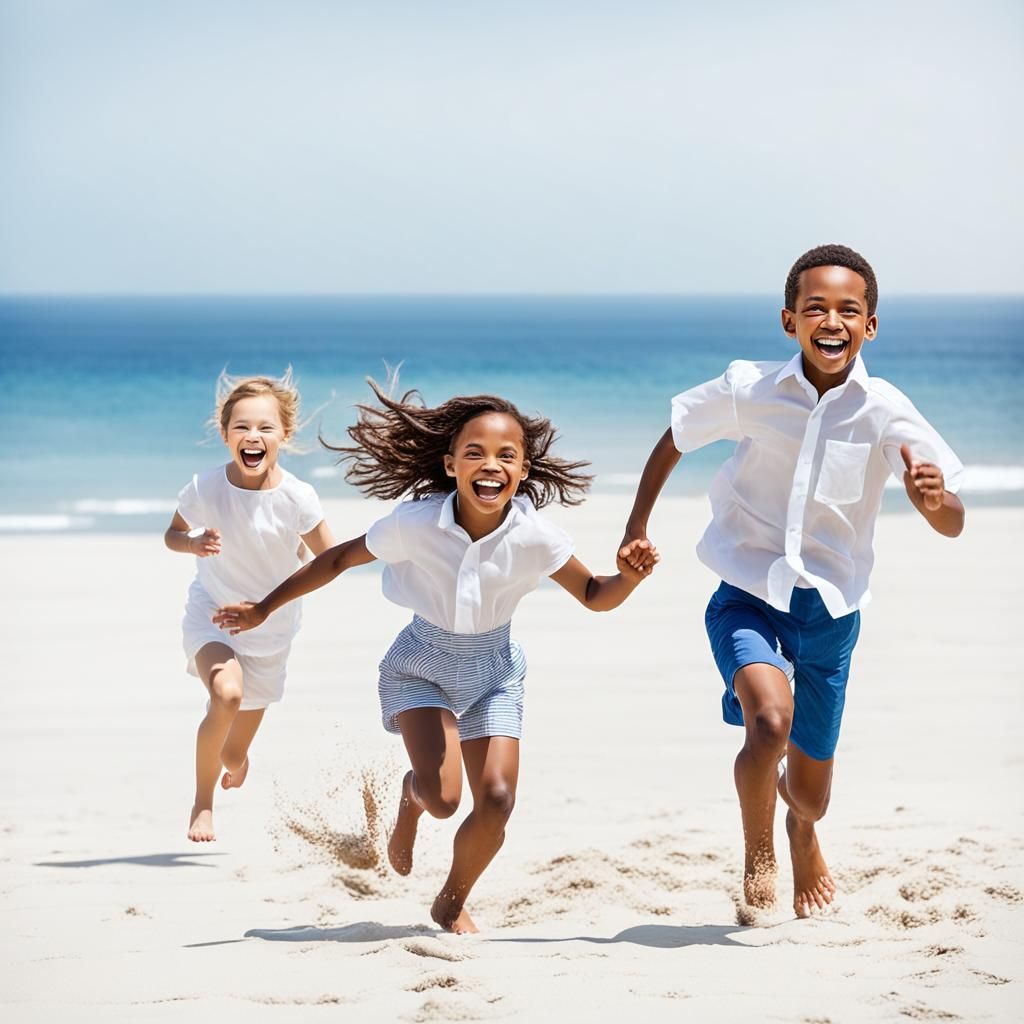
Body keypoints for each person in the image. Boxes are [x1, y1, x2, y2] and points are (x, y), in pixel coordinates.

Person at [214, 382, 658, 932]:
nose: (490, 465)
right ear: (450, 465)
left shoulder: (536, 537)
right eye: (474, 453)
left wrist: (630, 580)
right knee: (444, 799)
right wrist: (263, 607)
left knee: (495, 801)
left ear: (522, 470)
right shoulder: (416, 523)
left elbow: (595, 595)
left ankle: (450, 901)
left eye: (505, 456)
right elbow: (335, 560)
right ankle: (411, 796)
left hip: (495, 674)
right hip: (421, 669)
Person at [621, 244, 965, 918]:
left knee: (811, 796)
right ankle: (758, 852)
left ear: (869, 326)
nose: (831, 320)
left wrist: (932, 500)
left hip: (831, 615)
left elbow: (951, 518)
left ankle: (800, 830)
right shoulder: (751, 390)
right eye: (816, 308)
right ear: (790, 321)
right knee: (769, 722)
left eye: (848, 309)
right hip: (747, 595)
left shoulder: (887, 411)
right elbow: (675, 436)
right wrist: (637, 523)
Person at [164, 371, 336, 843]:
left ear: (284, 434)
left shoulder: (297, 498)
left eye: (265, 427)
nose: (252, 436)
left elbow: (330, 560)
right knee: (227, 695)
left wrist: (269, 604)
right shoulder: (204, 487)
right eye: (241, 427)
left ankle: (236, 760)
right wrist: (192, 542)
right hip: (212, 614)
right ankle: (202, 803)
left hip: (271, 631)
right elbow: (171, 536)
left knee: (233, 754)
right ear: (225, 436)